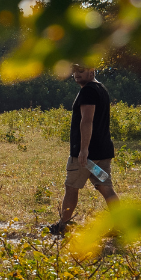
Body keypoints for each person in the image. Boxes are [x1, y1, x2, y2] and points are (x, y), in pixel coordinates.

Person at [49, 64, 119, 236]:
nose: (76, 74)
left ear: (92, 70)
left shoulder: (88, 91)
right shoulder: (101, 88)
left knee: (71, 187)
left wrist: (83, 150)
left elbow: (87, 121)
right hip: (103, 152)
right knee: (105, 187)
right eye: (74, 71)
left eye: (80, 71)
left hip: (86, 156)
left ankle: (63, 225)